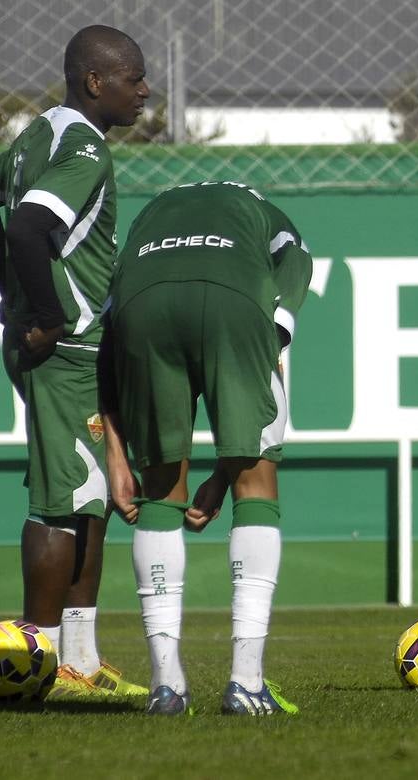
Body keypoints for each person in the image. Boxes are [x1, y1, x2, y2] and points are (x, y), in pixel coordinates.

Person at [0, 24, 150, 699]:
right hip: (64, 350)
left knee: (87, 497)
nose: (145, 90)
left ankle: (81, 664)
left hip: (63, 345)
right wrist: (45, 314)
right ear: (96, 81)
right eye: (133, 77)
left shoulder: (40, 133)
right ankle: (38, 665)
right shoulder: (85, 148)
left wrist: (14, 295)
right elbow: (29, 225)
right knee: (62, 502)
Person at [99, 180, 313, 716]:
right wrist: (275, 334)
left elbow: (111, 334)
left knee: (161, 494)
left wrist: (116, 455)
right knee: (256, 482)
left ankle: (166, 685)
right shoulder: (263, 211)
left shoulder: (152, 216)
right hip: (235, 303)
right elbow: (297, 264)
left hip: (142, 308)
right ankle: (246, 681)